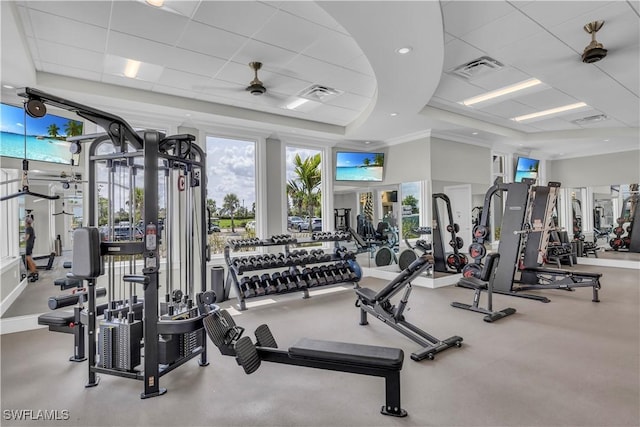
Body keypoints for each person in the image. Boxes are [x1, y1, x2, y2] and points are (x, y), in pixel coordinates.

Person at [24, 216, 38, 282]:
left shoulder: (28, 228)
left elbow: (27, 237)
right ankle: (34, 271)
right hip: (30, 245)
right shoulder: (31, 228)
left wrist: (21, 240)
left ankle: (34, 273)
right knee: (29, 259)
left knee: (28, 259)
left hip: (28, 246)